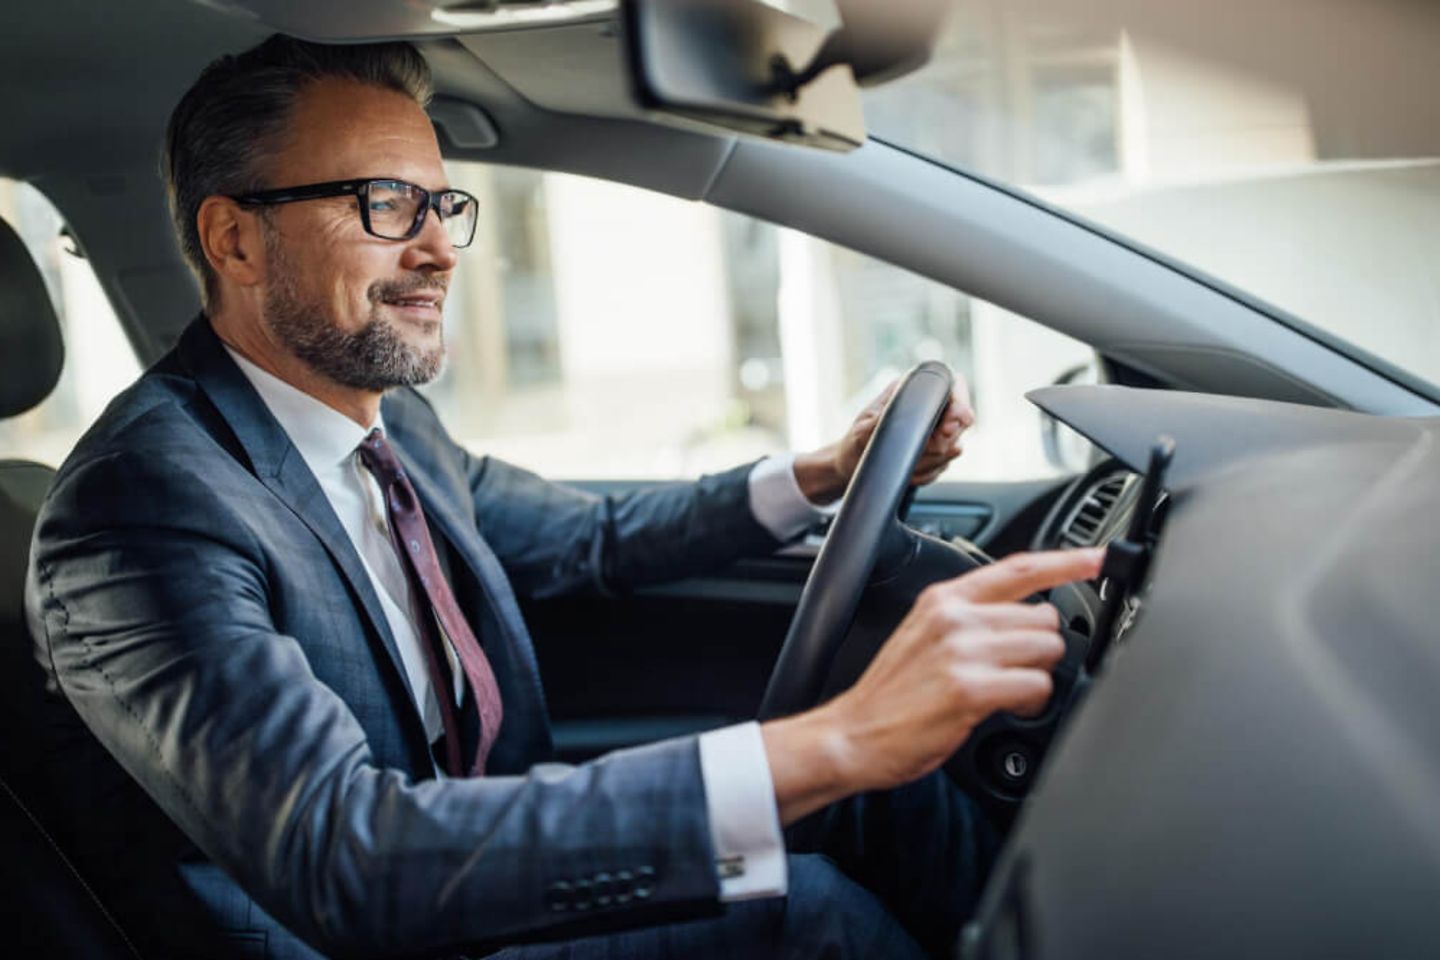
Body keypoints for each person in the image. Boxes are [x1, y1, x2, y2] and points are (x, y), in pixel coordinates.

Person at [24, 35, 1103, 960]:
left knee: (881, 793)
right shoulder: (140, 511)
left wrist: (821, 474)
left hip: (469, 871)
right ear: (235, 239)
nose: (441, 247)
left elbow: (588, 537)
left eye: (441, 202)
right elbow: (342, 856)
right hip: (375, 931)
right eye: (384, 202)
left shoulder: (381, 425)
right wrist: (830, 741)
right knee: (806, 902)